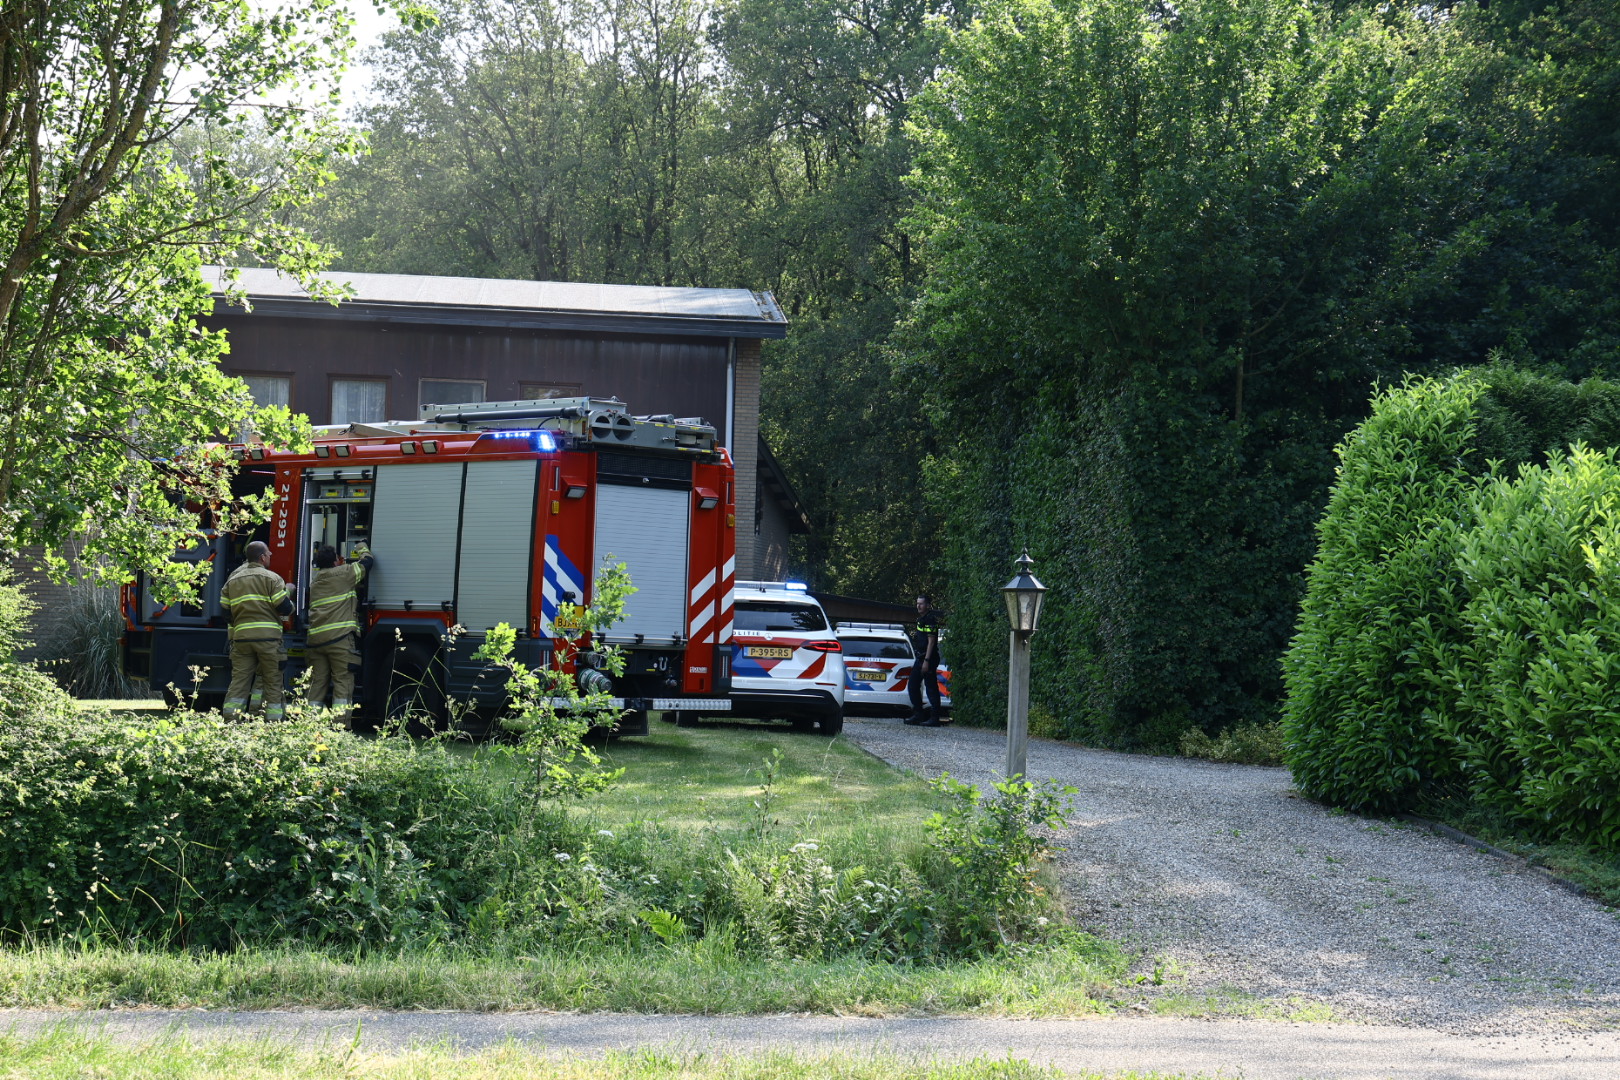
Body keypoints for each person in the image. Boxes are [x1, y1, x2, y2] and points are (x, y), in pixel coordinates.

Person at [221, 540, 293, 720]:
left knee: (239, 682)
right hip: (268, 641)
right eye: (268, 554)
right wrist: (289, 593)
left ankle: (231, 721)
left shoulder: (232, 580)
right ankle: (273, 723)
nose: (270, 556)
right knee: (273, 682)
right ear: (262, 557)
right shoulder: (272, 578)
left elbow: (226, 613)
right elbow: (284, 608)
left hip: (241, 640)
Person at [304, 543, 374, 715]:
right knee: (343, 683)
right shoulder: (345, 573)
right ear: (335, 561)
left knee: (316, 685)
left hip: (316, 642)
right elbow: (368, 562)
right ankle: (340, 725)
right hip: (340, 639)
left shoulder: (315, 582)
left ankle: (309, 723)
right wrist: (361, 547)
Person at [904, 594, 945, 727]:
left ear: (928, 605)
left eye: (921, 603)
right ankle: (918, 714)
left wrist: (927, 660)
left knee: (931, 687)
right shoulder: (921, 619)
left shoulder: (930, 620)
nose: (918, 606)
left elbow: (931, 642)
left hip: (928, 658)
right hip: (921, 657)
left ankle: (934, 717)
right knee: (913, 685)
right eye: (917, 603)